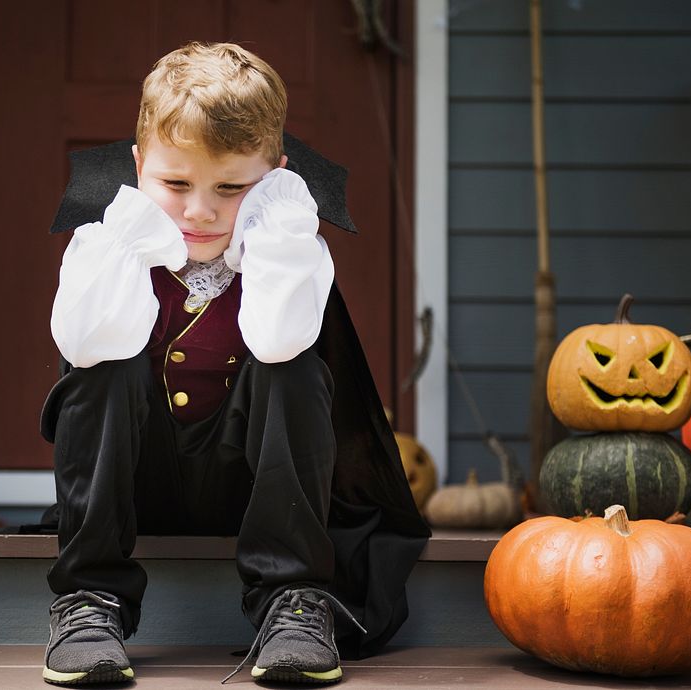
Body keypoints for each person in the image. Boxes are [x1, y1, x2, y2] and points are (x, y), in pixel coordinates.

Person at [41, 42, 429, 686]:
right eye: (174, 183)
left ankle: (291, 601)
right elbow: (83, 344)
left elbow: (278, 340)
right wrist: (130, 246)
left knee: (293, 367)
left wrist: (276, 232)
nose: (200, 211)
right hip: (136, 484)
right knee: (105, 365)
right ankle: (89, 599)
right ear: (137, 167)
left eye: (231, 187)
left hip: (256, 489)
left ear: (275, 174)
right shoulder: (109, 245)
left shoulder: (287, 248)